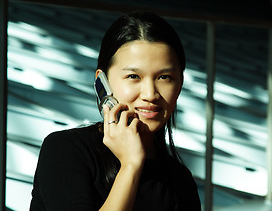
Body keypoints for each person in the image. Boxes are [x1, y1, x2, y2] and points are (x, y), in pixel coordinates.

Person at [30, 11, 201, 211]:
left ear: (179, 84)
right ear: (102, 83)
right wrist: (130, 165)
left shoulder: (179, 180)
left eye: (164, 77)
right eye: (133, 76)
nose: (150, 94)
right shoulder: (66, 150)